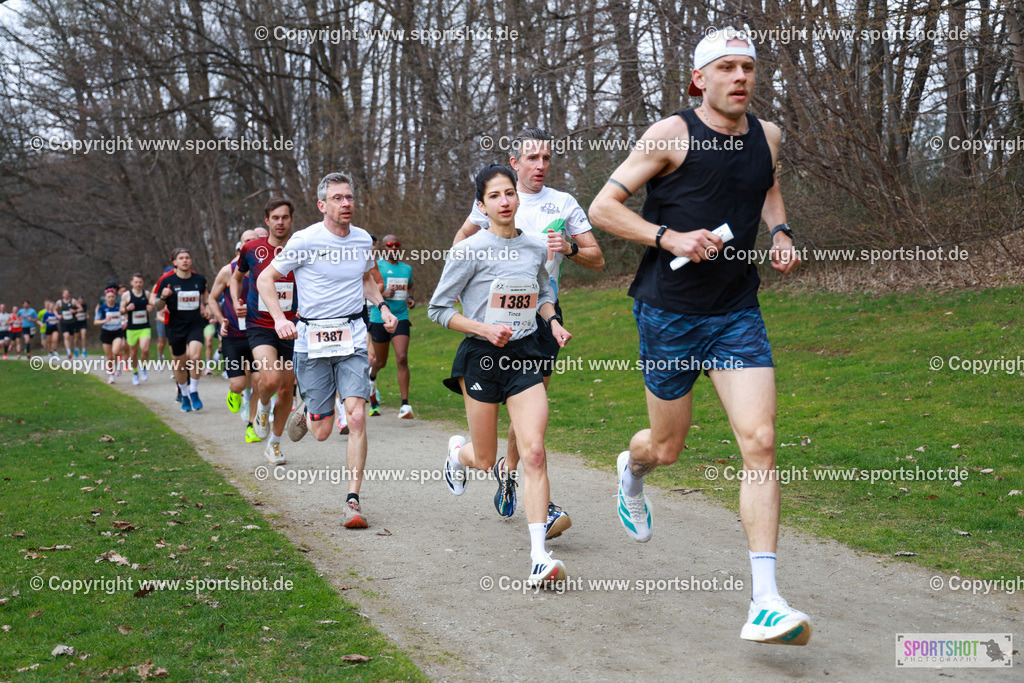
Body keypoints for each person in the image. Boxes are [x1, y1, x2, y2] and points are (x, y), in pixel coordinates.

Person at [587, 26, 809, 645]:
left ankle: (765, 599)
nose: (741, 77)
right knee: (665, 448)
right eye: (727, 67)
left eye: (748, 67)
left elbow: (765, 182)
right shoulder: (670, 135)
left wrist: (782, 230)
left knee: (761, 441)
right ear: (700, 79)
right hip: (669, 313)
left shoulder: (768, 136)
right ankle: (631, 474)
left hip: (737, 310)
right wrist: (669, 238)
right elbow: (601, 208)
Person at [454, 127, 604, 534]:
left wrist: (568, 248)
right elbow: (460, 245)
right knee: (519, 418)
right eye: (532, 159)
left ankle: (514, 471)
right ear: (515, 163)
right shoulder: (497, 197)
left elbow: (596, 258)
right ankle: (509, 475)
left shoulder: (564, 202)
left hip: (542, 313)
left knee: (530, 415)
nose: (540, 166)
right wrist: (473, 302)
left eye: (547, 158)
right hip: (495, 321)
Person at [430, 164, 573, 588]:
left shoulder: (533, 248)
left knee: (533, 452)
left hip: (526, 353)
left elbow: (544, 292)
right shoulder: (468, 250)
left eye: (509, 193)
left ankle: (537, 556)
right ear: (482, 205)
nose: (505, 201)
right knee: (486, 457)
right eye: (494, 196)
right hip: (482, 357)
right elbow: (438, 310)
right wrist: (484, 328)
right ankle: (458, 454)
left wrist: (552, 321)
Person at [262, 172, 397, 528]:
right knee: (321, 432)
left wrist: (381, 307)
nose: (347, 203)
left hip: (351, 335)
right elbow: (265, 279)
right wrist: (278, 319)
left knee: (355, 417)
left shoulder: (363, 239)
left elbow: (366, 279)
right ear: (322, 205)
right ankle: (309, 410)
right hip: (311, 339)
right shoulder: (305, 240)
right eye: (338, 198)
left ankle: (352, 500)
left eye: (350, 197)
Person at [231, 198, 299, 465]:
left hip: (292, 327)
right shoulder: (251, 249)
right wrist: (238, 301)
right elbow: (237, 277)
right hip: (260, 325)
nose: (280, 222)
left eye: (285, 217)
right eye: (275, 218)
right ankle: (262, 408)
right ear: (267, 221)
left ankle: (274, 444)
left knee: (286, 389)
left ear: (291, 219)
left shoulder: (300, 247)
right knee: (269, 380)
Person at [207, 230, 263, 443]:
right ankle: (235, 392)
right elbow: (212, 299)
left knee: (259, 381)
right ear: (240, 248)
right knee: (239, 384)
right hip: (233, 336)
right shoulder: (227, 271)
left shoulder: (267, 271)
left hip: (259, 334)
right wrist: (221, 320)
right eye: (246, 241)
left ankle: (252, 426)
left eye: (254, 241)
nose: (251, 244)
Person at [154, 248, 209, 412]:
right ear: (175, 262)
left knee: (196, 357)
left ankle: (193, 391)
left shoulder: (199, 279)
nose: (185, 260)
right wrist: (164, 297)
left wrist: (207, 308)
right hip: (176, 328)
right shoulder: (167, 281)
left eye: (187, 258)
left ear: (191, 261)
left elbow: (205, 299)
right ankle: (184, 395)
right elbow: (158, 307)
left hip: (195, 325)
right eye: (181, 258)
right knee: (179, 365)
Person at [367, 234, 415, 419]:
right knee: (380, 362)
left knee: (402, 358)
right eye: (390, 245)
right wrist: (383, 292)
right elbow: (368, 289)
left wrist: (410, 297)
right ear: (383, 249)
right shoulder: (376, 266)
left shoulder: (406, 269)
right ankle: (371, 379)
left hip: (400, 317)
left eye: (397, 245)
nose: (394, 248)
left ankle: (405, 405)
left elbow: (410, 286)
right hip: (380, 319)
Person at [121, 273, 153, 385]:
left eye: (140, 282)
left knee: (144, 349)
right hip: (132, 329)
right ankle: (135, 373)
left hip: (144, 327)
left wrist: (150, 307)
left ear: (142, 283)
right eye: (136, 282)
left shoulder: (147, 294)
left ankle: (143, 367)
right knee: (133, 352)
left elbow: (151, 304)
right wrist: (127, 308)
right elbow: (121, 310)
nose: (138, 284)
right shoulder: (126, 295)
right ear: (132, 283)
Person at [94, 288, 126, 383]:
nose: (111, 298)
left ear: (115, 297)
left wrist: (125, 321)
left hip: (117, 332)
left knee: (115, 352)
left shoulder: (119, 306)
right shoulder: (102, 308)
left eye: (112, 296)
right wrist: (104, 320)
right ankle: (111, 375)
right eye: (109, 297)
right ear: (105, 298)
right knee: (110, 357)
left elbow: (125, 315)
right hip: (106, 333)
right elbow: (95, 322)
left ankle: (117, 366)